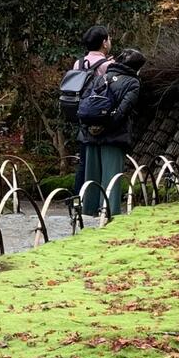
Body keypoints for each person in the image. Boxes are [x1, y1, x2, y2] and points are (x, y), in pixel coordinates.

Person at [78, 47, 145, 216]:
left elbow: (84, 102)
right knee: (112, 176)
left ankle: (88, 210)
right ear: (137, 67)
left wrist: (92, 127)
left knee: (91, 176)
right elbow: (124, 110)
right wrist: (107, 126)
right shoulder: (133, 82)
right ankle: (108, 211)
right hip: (115, 135)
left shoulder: (100, 78)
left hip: (91, 134)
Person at [62, 25, 114, 199]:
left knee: (84, 160)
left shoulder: (79, 62)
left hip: (83, 114)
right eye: (108, 39)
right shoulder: (108, 65)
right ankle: (99, 199)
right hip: (101, 116)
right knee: (101, 160)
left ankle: (77, 197)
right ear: (104, 43)